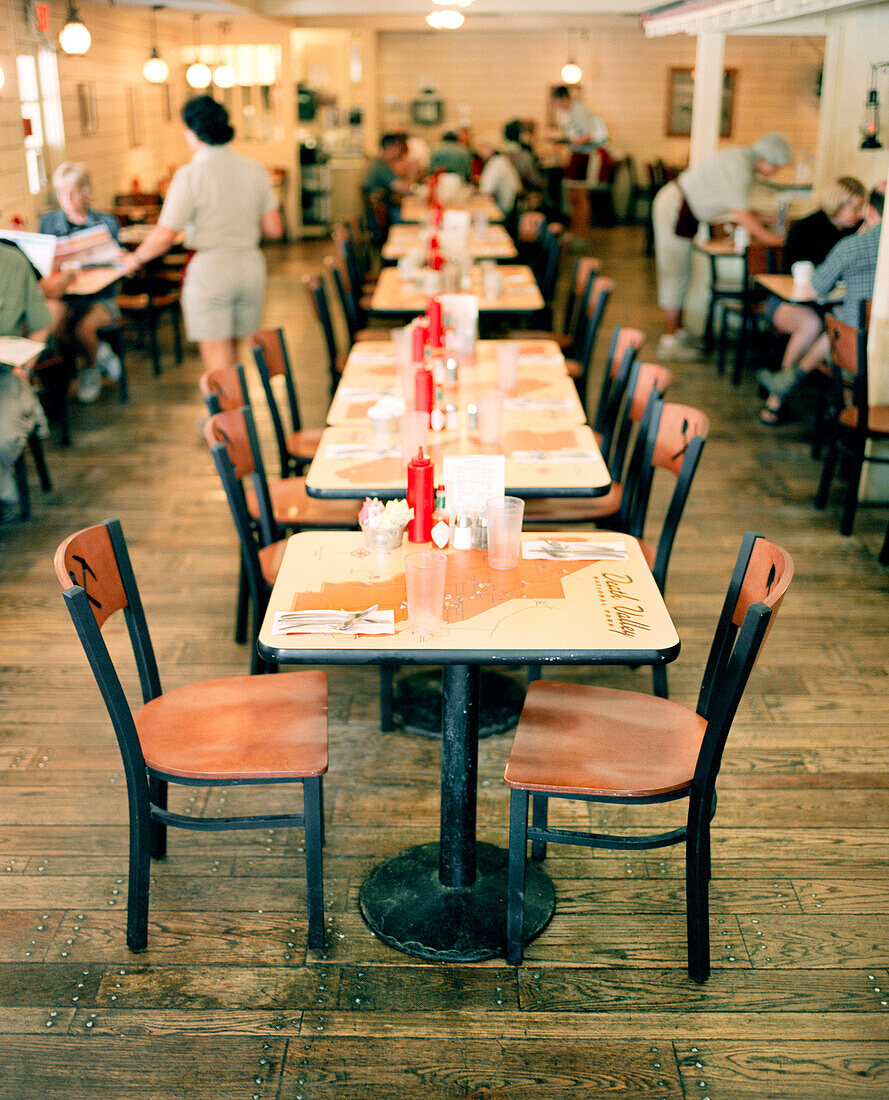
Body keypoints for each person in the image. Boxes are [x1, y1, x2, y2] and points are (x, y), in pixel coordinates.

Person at [120, 96, 283, 374]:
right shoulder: (254, 169)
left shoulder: (190, 174)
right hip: (250, 267)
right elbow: (274, 229)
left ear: (194, 131)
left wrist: (133, 260)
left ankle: (226, 416)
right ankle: (237, 415)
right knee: (236, 357)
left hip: (211, 272)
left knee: (219, 366)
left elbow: (164, 235)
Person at [652, 132, 792, 361]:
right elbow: (741, 215)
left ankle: (676, 332)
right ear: (766, 159)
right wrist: (773, 240)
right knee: (675, 273)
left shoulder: (742, 160)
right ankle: (669, 342)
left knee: (682, 273)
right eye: (776, 167)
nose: (775, 172)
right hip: (675, 209)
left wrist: (759, 218)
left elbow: (736, 207)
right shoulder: (740, 165)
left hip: (681, 208)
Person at [757, 183, 883, 424]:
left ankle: (787, 389)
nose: (858, 214)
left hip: (831, 311)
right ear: (838, 204)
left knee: (833, 325)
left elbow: (822, 285)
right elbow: (795, 281)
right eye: (854, 208)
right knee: (815, 325)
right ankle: (780, 398)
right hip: (791, 300)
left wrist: (864, 230)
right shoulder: (806, 228)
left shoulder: (855, 239)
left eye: (862, 209)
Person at [39, 162, 123, 403]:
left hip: (101, 297)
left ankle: (91, 367)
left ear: (86, 191)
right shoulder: (49, 223)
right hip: (68, 296)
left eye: (73, 192)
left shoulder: (106, 222)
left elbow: (116, 262)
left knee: (83, 329)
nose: (67, 199)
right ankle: (101, 353)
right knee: (55, 325)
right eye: (61, 193)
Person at [0, 242, 52, 514]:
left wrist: (25, 368)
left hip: (4, 371)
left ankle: (4, 496)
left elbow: (41, 323)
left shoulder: (12, 262)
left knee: (4, 434)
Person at [550, 85, 609, 182]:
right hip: (578, 151)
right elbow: (568, 134)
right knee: (569, 180)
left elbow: (588, 136)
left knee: (583, 185)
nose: (555, 105)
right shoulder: (562, 114)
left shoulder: (579, 109)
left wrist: (570, 142)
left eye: (556, 102)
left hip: (591, 152)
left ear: (564, 99)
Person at [361, 133, 411, 236]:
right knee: (416, 223)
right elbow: (403, 189)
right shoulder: (380, 167)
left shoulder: (380, 163)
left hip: (384, 215)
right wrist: (412, 170)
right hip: (384, 219)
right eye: (397, 147)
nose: (398, 152)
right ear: (389, 148)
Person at [477, 142, 523, 221]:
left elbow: (485, 189)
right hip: (511, 205)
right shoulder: (502, 159)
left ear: (490, 148)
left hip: (503, 207)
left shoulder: (496, 162)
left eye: (483, 147)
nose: (480, 151)